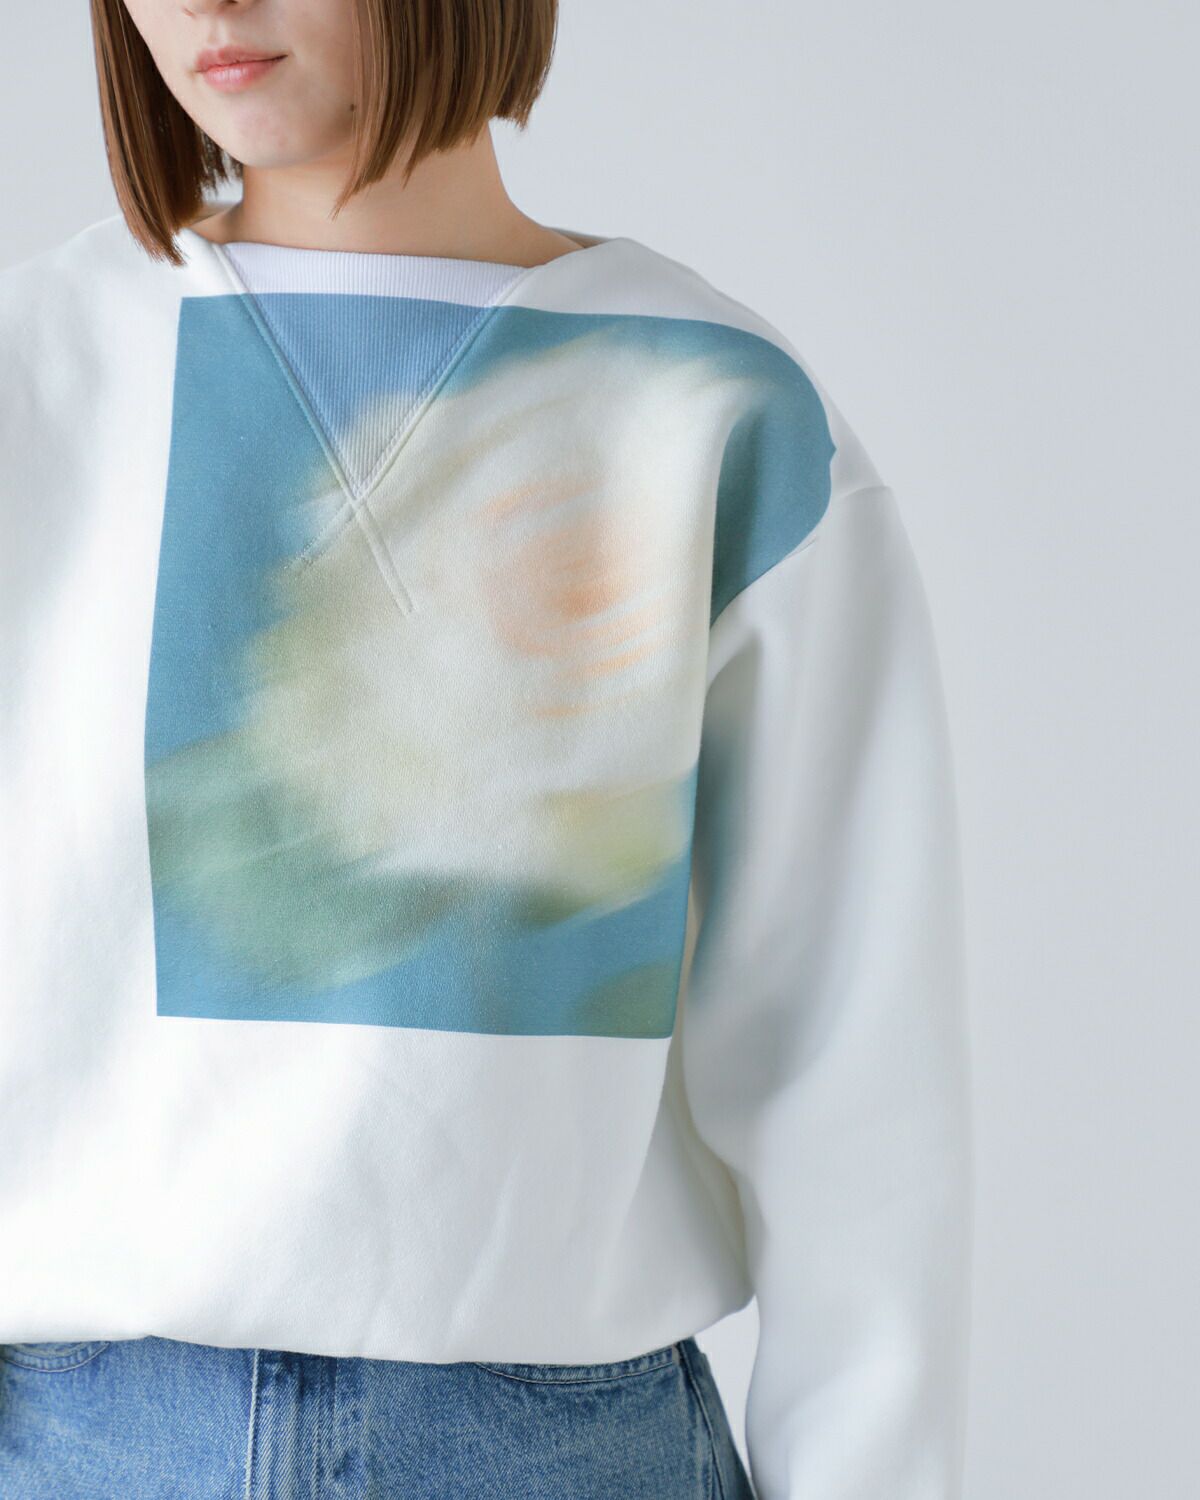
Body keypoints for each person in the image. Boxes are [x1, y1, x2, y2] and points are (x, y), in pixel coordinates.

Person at [0, 1, 973, 1497]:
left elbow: (850, 1075)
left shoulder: (712, 407)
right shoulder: (39, 373)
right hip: (77, 1440)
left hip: (559, 1449)